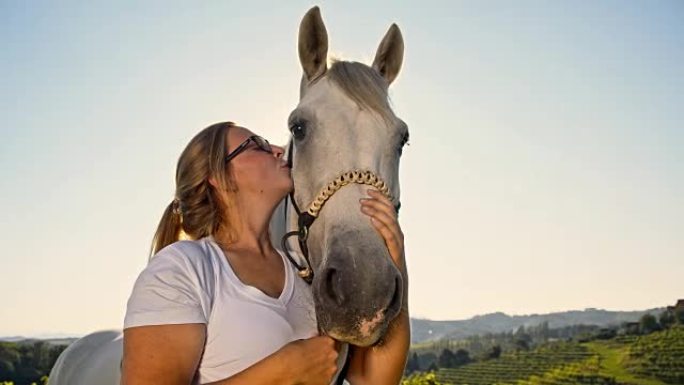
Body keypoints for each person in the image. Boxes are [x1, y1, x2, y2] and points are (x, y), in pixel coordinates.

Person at [121, 121, 409, 385]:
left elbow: (371, 381)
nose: (278, 150)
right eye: (255, 145)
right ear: (217, 178)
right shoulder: (182, 270)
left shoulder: (306, 278)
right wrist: (283, 370)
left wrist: (397, 261)